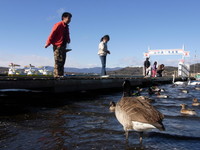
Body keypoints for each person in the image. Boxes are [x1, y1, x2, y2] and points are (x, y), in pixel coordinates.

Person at [45, 12, 72, 77]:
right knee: (58, 61)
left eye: (70, 19)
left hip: (63, 45)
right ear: (63, 18)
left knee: (62, 61)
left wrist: (68, 39)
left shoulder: (66, 27)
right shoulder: (58, 25)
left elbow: (67, 34)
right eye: (68, 18)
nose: (69, 20)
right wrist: (48, 43)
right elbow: (52, 34)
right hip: (58, 45)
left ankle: (61, 75)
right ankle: (57, 76)